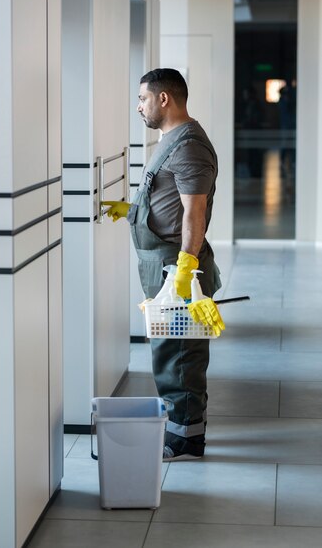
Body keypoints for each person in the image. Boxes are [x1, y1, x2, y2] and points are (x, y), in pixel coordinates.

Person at [103, 68, 224, 461]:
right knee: (167, 350)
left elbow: (195, 211)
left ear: (164, 99)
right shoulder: (170, 140)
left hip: (177, 267)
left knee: (180, 353)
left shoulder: (189, 145)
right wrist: (133, 211)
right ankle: (182, 428)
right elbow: (167, 199)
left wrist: (185, 272)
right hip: (164, 265)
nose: (139, 106)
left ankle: (186, 439)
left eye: (142, 99)